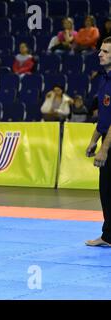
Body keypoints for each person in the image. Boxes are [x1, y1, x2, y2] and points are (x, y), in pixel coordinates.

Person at [85, 36, 111, 247]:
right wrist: (94, 141)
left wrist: (104, 149)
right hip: (105, 137)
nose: (100, 54)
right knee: (106, 189)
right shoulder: (104, 78)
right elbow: (104, 116)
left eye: (106, 52)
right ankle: (108, 235)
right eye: (101, 50)